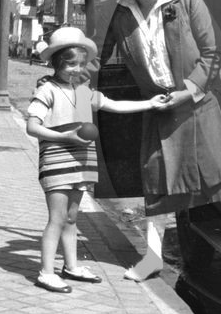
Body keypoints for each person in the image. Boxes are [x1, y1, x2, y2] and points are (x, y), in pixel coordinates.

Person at [100, 0, 221, 282]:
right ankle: (152, 257)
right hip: (159, 104)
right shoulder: (120, 13)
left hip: (199, 98)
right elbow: (97, 54)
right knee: (155, 181)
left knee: (216, 166)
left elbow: (213, 52)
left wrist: (189, 90)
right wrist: (72, 85)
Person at [26, 26, 170, 293]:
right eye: (70, 64)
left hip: (80, 164)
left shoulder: (83, 91)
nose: (76, 69)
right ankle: (46, 271)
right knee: (56, 219)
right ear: (56, 61)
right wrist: (67, 136)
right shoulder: (47, 90)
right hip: (57, 163)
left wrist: (150, 103)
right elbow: (32, 126)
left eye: (80, 64)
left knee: (71, 218)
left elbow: (115, 105)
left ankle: (70, 266)